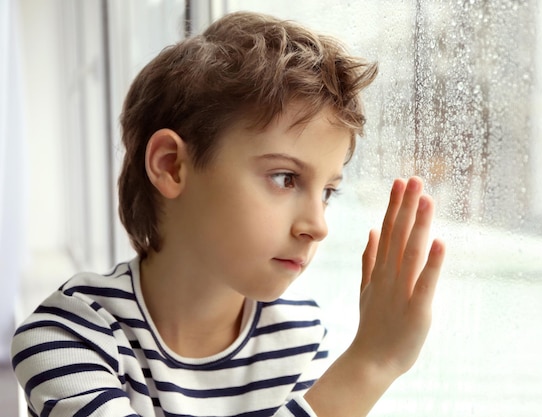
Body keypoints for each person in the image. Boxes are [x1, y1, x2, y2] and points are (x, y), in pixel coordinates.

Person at [11, 11, 445, 417]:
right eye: (284, 178)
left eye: (328, 191)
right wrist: (370, 365)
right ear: (171, 166)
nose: (317, 226)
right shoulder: (68, 338)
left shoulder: (298, 338)